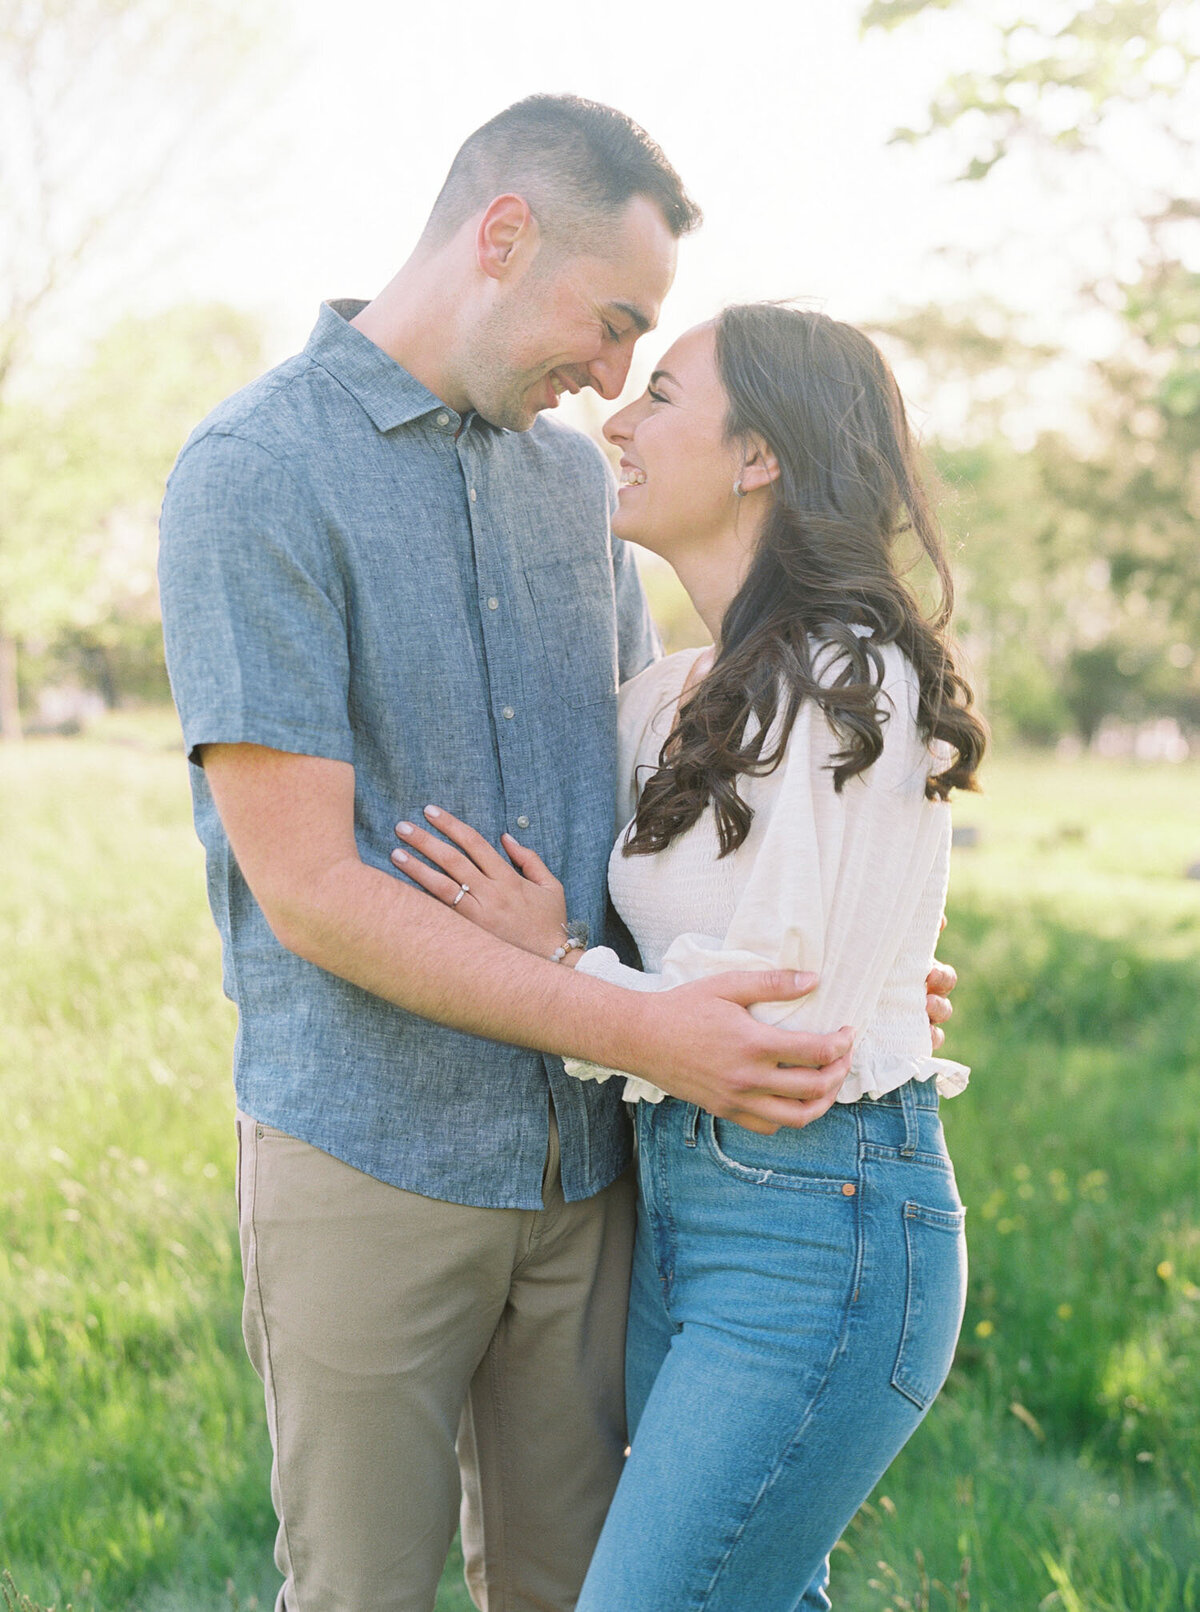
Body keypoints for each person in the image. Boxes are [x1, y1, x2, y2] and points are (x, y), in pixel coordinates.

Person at [158, 94, 954, 1612]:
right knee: (361, 1595)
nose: (606, 385)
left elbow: (668, 802)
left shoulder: (577, 491)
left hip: (604, 1172)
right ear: (502, 237)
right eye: (611, 327)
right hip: (370, 1154)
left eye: (643, 357)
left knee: (582, 1589)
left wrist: (855, 949)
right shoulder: (255, 472)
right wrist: (640, 1018)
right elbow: (311, 890)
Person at [392, 304, 985, 1611]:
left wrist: (551, 963)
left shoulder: (856, 676)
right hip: (685, 1218)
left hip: (819, 1227)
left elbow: (764, 1039)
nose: (617, 417)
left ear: (762, 452)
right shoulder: (666, 698)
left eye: (661, 392)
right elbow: (694, 958)